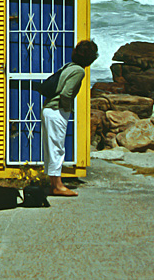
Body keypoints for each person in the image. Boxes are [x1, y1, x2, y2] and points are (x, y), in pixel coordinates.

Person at [41, 39, 99, 197]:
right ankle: (58, 186)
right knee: (57, 149)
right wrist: (67, 108)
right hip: (57, 110)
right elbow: (66, 94)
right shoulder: (79, 71)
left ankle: (54, 184)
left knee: (52, 148)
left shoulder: (68, 66)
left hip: (48, 109)